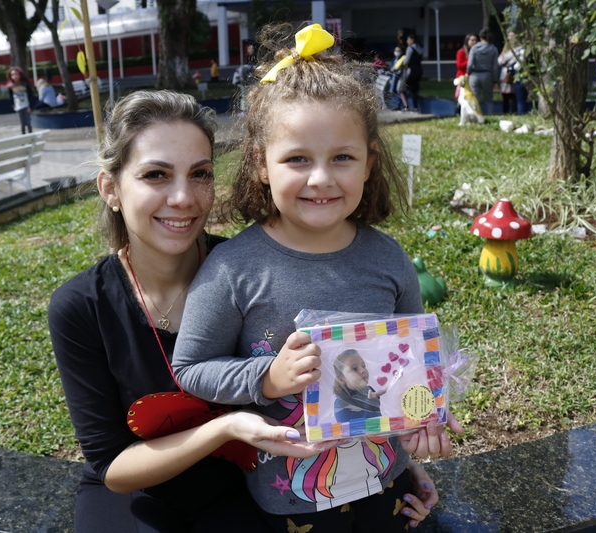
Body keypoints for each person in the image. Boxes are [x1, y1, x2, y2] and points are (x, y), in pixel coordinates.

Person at [172, 24, 462, 532]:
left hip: (386, 480)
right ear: (261, 164)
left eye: (342, 158)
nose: (321, 178)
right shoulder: (233, 269)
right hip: (289, 500)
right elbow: (192, 368)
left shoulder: (388, 258)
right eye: (297, 159)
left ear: (369, 163)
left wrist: (426, 419)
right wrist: (267, 378)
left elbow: (416, 361)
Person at [48, 90, 329, 533]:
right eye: (156, 174)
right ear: (111, 189)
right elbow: (112, 467)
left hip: (240, 484)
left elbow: (326, 382)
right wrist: (224, 428)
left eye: (199, 174)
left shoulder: (252, 275)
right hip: (136, 489)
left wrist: (392, 465)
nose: (182, 197)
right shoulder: (82, 307)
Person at [333, 349, 384, 422]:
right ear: (342, 379)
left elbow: (380, 415)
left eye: (364, 366)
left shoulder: (369, 390)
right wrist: (371, 402)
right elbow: (351, 428)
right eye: (354, 369)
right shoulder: (341, 402)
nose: (363, 370)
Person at [467, 28, 500, 115]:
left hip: (474, 75)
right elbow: (495, 67)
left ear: (480, 37)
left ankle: (476, 116)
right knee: (488, 98)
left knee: (475, 98)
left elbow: (470, 64)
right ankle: (490, 114)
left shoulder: (474, 48)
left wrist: (469, 73)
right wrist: (495, 80)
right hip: (487, 75)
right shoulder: (493, 49)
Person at [6, 66, 34, 134]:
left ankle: (31, 137)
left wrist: (30, 106)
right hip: (18, 106)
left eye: (16, 74)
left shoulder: (25, 84)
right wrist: (13, 104)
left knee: (28, 123)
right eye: (12, 74)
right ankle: (23, 139)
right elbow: (10, 96)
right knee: (23, 124)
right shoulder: (11, 86)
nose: (14, 76)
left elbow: (31, 95)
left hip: (26, 105)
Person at [498, 31, 518, 114]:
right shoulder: (505, 50)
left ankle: (514, 112)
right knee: (505, 97)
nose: (510, 38)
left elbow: (505, 60)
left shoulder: (518, 49)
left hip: (513, 75)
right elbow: (500, 61)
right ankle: (505, 113)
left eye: (512, 36)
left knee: (513, 97)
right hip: (504, 76)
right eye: (509, 36)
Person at [404, 33, 423, 112]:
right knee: (415, 89)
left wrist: (402, 63)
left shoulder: (410, 48)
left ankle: (407, 106)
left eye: (408, 39)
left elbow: (406, 61)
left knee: (405, 87)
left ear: (412, 40)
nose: (407, 41)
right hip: (419, 70)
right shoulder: (420, 48)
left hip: (411, 70)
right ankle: (416, 107)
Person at [455, 34, 478, 102]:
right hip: (462, 78)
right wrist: (470, 60)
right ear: (467, 41)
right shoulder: (461, 52)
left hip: (472, 77)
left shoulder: (476, 51)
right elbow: (459, 65)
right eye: (472, 40)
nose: (474, 42)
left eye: (476, 40)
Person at [389, 45, 409, 111]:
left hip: (401, 79)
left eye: (398, 51)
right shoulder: (394, 60)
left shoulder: (403, 60)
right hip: (396, 78)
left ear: (401, 52)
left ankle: (405, 106)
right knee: (400, 91)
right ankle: (400, 106)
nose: (396, 52)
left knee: (400, 91)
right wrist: (391, 78)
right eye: (395, 50)